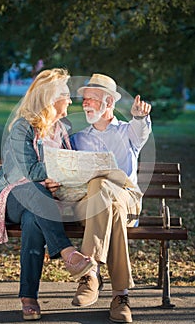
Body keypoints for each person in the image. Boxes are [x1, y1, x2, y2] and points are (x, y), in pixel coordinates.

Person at [0, 68, 96, 321]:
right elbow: (31, 170)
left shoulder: (62, 130)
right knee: (34, 189)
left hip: (39, 205)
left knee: (35, 217)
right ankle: (68, 253)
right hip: (8, 198)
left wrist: (66, 175)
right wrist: (61, 172)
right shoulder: (22, 128)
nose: (70, 99)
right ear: (50, 98)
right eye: (65, 94)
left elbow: (69, 168)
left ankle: (29, 298)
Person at [70, 73, 152, 323]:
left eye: (92, 99)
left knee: (104, 187)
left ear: (109, 103)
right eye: (84, 99)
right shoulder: (78, 138)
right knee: (104, 196)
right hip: (90, 206)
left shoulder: (128, 132)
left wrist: (139, 116)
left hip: (127, 200)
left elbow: (141, 129)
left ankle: (90, 272)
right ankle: (121, 296)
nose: (85, 104)